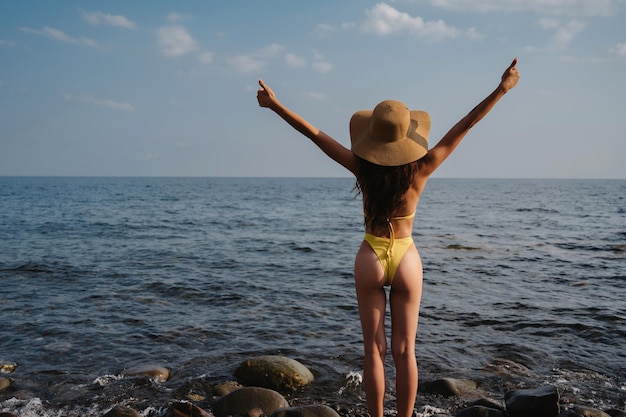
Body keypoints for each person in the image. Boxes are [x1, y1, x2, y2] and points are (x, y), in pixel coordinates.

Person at [256, 59, 520, 417]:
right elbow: (466, 125)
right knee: (405, 351)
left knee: (373, 350)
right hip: (407, 258)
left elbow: (314, 134)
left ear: (372, 137)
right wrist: (501, 89)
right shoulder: (422, 167)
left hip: (371, 256)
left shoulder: (361, 167)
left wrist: (275, 105)